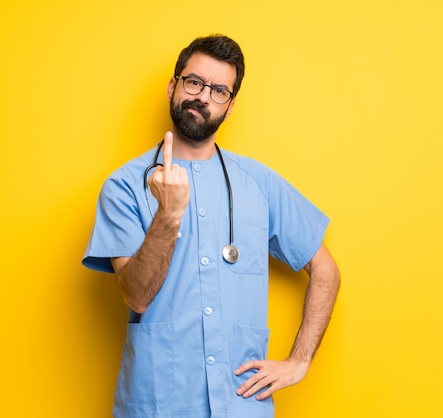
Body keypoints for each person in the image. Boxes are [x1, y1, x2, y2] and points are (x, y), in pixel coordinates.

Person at [83, 34, 340, 418]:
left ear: (230, 106)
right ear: (173, 86)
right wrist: (168, 215)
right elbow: (136, 296)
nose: (203, 97)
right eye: (194, 82)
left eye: (219, 90)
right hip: (159, 406)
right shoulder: (124, 186)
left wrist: (298, 362)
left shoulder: (259, 183)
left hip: (241, 406)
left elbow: (326, 271)